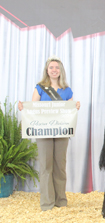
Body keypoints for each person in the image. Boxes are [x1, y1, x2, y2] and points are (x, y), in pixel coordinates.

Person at [18, 55, 80, 211]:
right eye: (51, 67)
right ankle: (47, 203)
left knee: (60, 166)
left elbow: (69, 110)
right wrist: (23, 107)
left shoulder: (67, 90)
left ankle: (61, 201)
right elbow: (33, 107)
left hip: (62, 131)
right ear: (47, 70)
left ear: (61, 71)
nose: (54, 70)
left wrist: (75, 106)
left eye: (57, 67)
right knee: (46, 166)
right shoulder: (40, 87)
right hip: (43, 131)